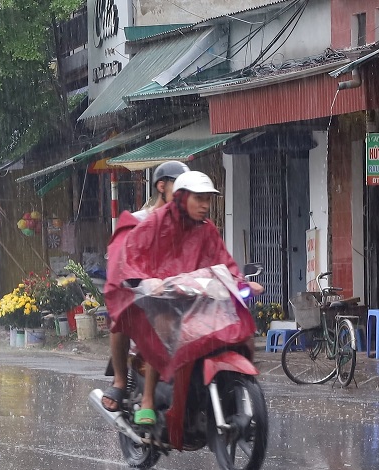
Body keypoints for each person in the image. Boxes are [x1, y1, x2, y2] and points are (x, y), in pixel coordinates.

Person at [104, 171, 262, 426]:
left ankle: (234, 389)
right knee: (163, 327)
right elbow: (132, 254)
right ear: (180, 196)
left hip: (196, 300)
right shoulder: (154, 222)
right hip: (161, 300)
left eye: (207, 199)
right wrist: (144, 279)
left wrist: (242, 283)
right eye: (199, 199)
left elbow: (224, 262)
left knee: (240, 331)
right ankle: (148, 400)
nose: (205, 206)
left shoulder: (207, 229)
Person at [101, 161, 188, 413]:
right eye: (180, 187)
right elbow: (120, 259)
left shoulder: (191, 225)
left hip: (180, 294)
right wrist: (141, 280)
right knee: (123, 315)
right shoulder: (138, 221)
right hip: (144, 295)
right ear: (162, 186)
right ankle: (120, 381)